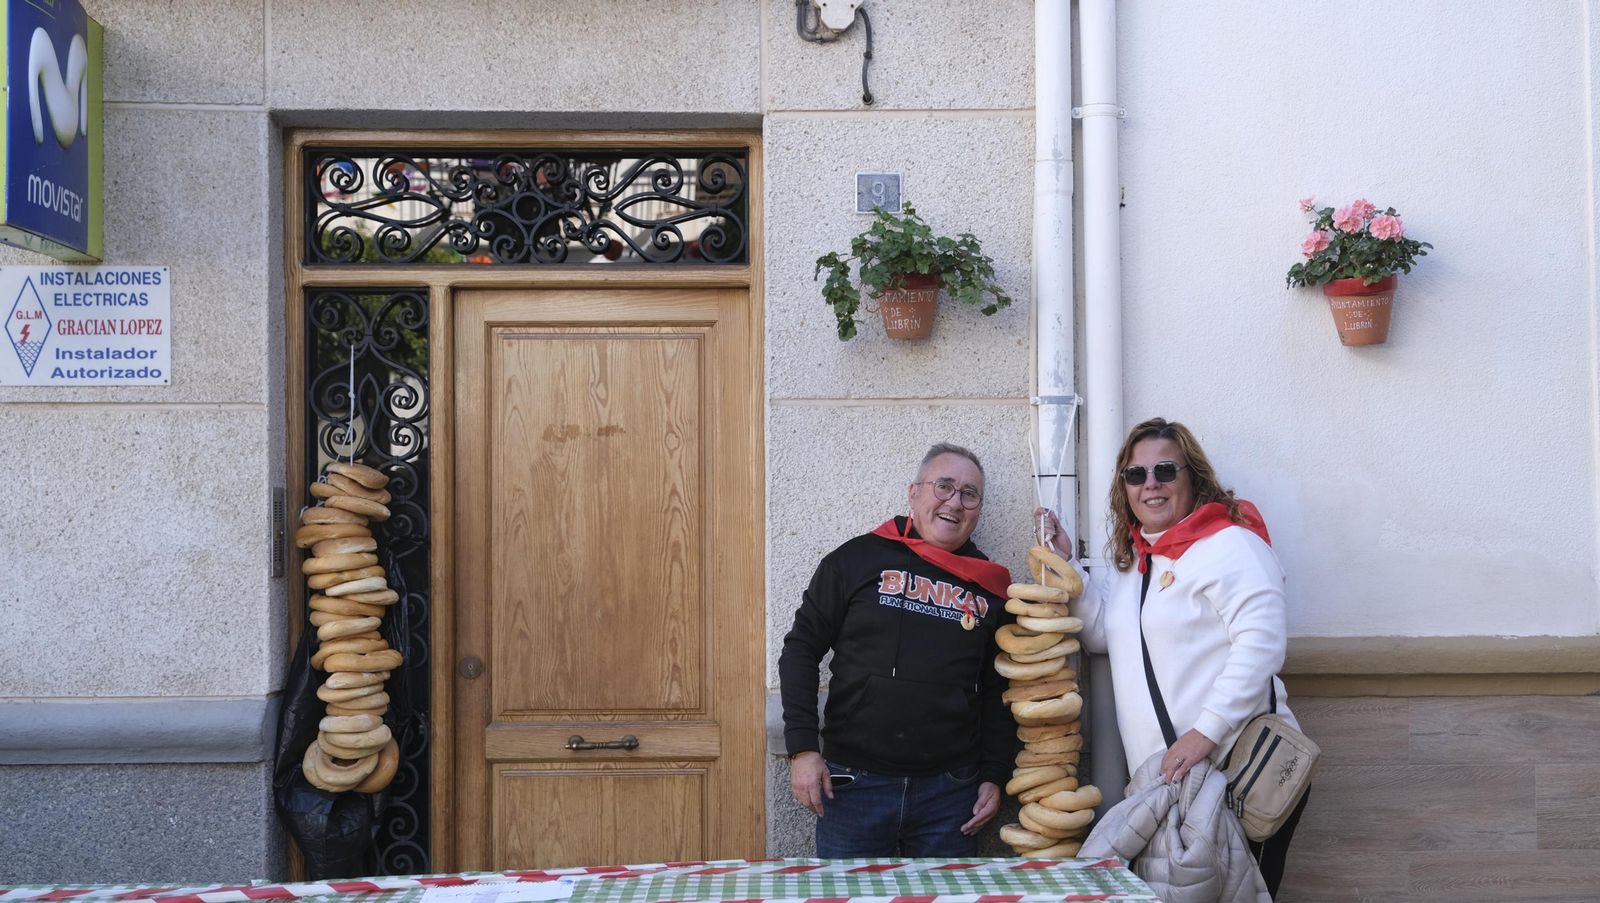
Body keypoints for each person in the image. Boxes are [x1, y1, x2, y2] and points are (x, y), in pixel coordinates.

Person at [1038, 417, 1306, 897]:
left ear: (1194, 478)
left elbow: (1261, 645)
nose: (1151, 485)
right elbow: (1104, 636)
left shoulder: (1231, 546)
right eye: (1136, 475)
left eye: (1165, 470)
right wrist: (1068, 566)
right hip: (1169, 784)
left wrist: (1204, 733)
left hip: (1233, 773)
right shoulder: (1138, 559)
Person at [778, 443, 1017, 857]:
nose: (954, 502)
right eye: (943, 486)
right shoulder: (856, 561)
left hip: (951, 795)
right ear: (914, 492)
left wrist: (994, 774)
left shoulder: (991, 588)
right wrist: (801, 749)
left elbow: (1000, 691)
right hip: (854, 788)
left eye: (969, 493)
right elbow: (800, 650)